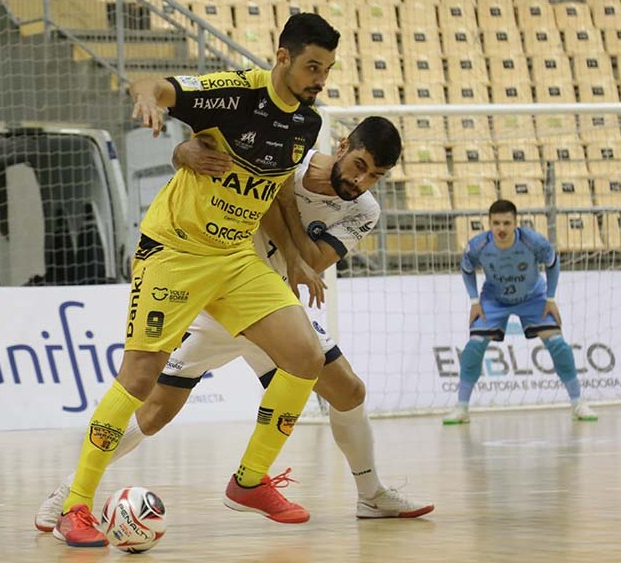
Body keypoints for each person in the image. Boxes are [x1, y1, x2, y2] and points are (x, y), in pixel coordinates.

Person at [34, 117, 433, 535]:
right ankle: (70, 491)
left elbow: (311, 264)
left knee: (349, 391)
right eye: (360, 165)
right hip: (218, 297)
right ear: (343, 144)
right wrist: (193, 156)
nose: (362, 181)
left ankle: (369, 494)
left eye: (376, 176)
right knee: (154, 412)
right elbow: (216, 179)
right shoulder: (286, 160)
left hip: (271, 306)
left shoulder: (364, 210)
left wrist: (280, 213)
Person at [53, 13, 340, 548]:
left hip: (235, 257)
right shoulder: (235, 94)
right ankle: (75, 507)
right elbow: (154, 86)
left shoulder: (306, 123)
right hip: (176, 252)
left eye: (325, 69)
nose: (319, 79)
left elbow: (276, 194)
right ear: (282, 57)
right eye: (311, 66)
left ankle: (250, 481)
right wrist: (148, 103)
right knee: (139, 378)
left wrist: (300, 256)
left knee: (306, 357)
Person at [442, 199, 599, 425]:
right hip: (494, 299)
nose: (501, 229)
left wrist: (551, 297)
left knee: (558, 344)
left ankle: (578, 403)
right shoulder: (478, 246)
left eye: (507, 223)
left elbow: (553, 262)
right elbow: (466, 268)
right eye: (496, 223)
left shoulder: (532, 241)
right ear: (489, 223)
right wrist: (474, 301)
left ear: (516, 223)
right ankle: (462, 408)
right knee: (473, 347)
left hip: (533, 297)